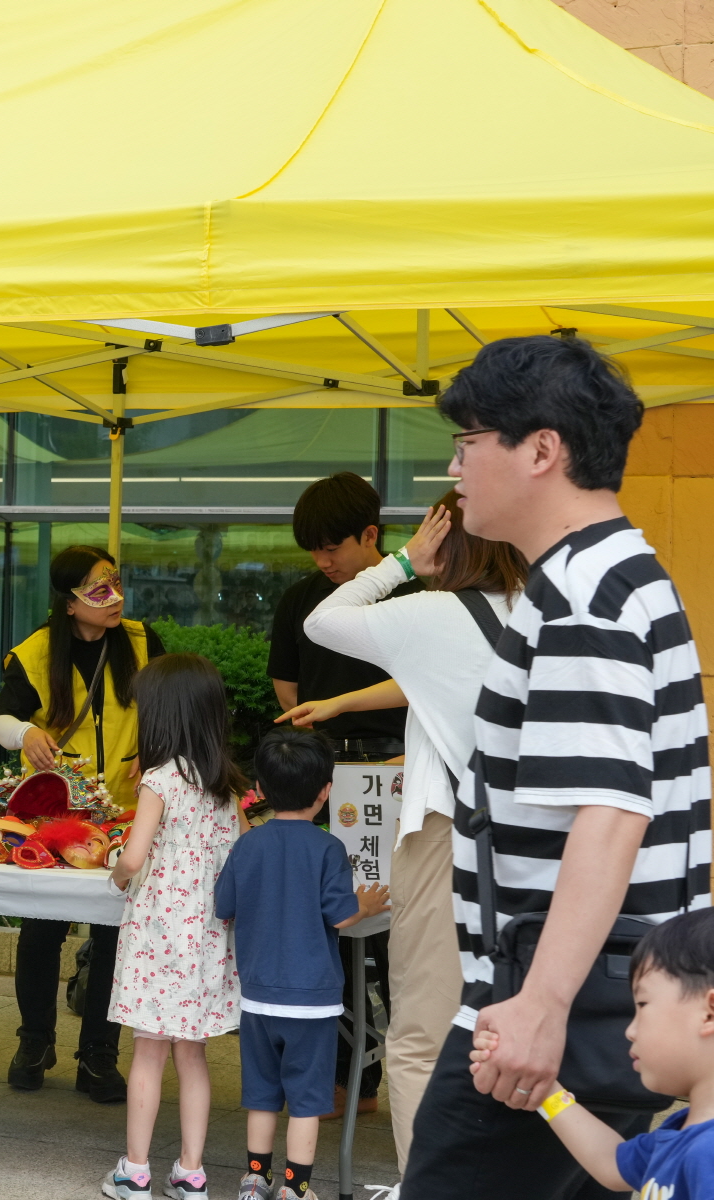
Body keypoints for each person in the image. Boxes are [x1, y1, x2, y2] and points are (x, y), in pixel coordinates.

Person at [402, 335, 711, 1198]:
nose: (456, 469)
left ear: (542, 449)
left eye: (468, 444)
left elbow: (609, 815)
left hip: (549, 1014)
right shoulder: (619, 575)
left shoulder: (582, 597)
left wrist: (539, 1006)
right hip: (599, 1002)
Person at [283, 489, 527, 1169]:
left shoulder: (433, 611)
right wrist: (344, 703)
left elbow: (323, 623)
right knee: (513, 1029)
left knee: (422, 1034)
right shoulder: (541, 611)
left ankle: (433, 1185)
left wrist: (399, 563)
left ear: (447, 536)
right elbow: (438, 679)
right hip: (538, 847)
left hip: (449, 836)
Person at [0, 544, 161, 1103]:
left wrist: (154, 752)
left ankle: (99, 1055)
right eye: (98, 588)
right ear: (68, 603)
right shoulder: (35, 653)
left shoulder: (140, 641)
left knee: (114, 932)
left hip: (126, 816)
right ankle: (33, 1041)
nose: (114, 598)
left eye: (115, 582)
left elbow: (169, 706)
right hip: (55, 819)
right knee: (43, 929)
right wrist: (25, 734)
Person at [268, 471, 417, 1114]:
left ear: (371, 536)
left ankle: (387, 1075)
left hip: (399, 775)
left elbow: (437, 695)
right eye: (314, 551)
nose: (323, 562)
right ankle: (331, 1075)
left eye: (335, 548)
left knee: (394, 931)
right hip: (324, 782)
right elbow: (287, 689)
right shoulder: (302, 598)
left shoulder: (419, 596)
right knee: (326, 921)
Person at [218, 728, 391, 1200]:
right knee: (307, 1102)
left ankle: (254, 1180)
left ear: (264, 792)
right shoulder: (328, 848)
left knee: (261, 1094)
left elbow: (224, 905)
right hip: (313, 1003)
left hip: (257, 996)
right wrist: (369, 905)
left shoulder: (247, 845)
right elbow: (341, 913)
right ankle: (295, 1187)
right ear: (325, 792)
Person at [102, 654, 247, 1200]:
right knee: (192, 1055)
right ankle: (191, 1173)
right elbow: (238, 849)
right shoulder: (226, 787)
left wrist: (117, 873)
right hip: (207, 937)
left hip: (160, 935)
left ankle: (135, 1172)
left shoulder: (160, 780)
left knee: (147, 1051)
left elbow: (135, 858)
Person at [474, 909, 714, 1198]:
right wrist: (547, 1092)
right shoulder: (684, 1134)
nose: (631, 1030)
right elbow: (612, 1164)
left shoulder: (707, 1153)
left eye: (643, 1005)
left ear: (709, 1013)